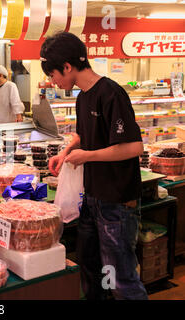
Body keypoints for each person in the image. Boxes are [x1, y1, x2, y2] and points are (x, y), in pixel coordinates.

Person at [42, 32, 147, 300]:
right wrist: (66, 152)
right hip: (91, 198)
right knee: (91, 270)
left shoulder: (111, 93)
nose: (52, 81)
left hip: (117, 202)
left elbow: (134, 147)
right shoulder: (82, 97)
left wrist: (86, 157)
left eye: (53, 74)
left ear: (67, 67)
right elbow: (84, 137)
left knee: (120, 278)